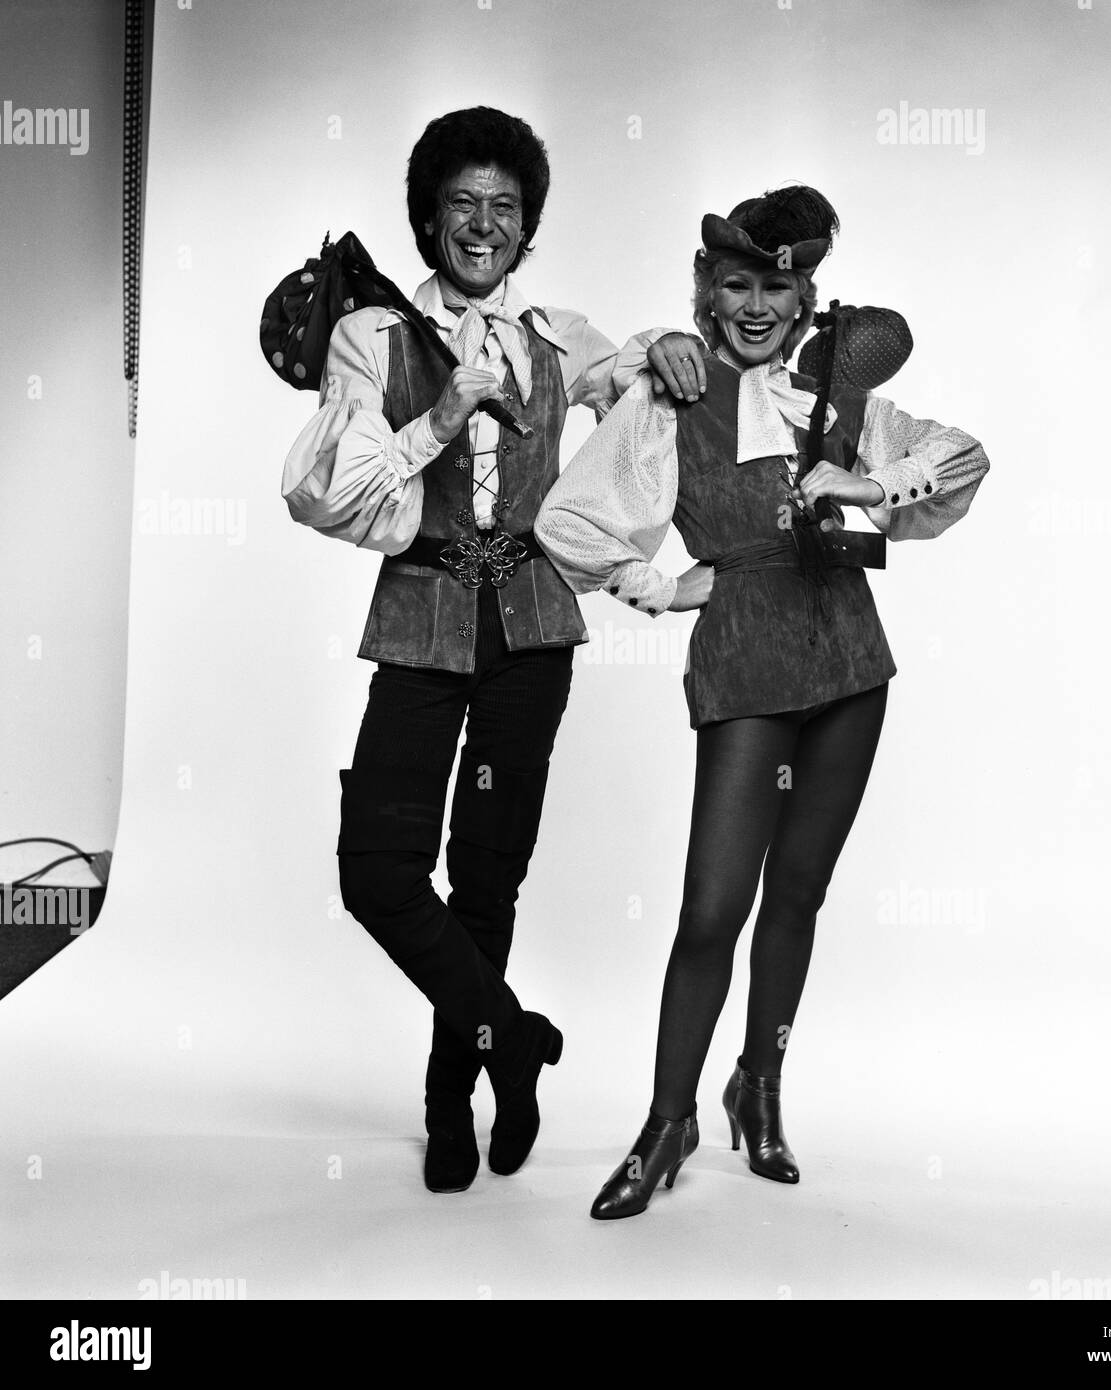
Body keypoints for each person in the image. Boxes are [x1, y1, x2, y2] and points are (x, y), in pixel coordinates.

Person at [535, 185, 990, 1219]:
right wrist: (662, 583)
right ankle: (668, 1120)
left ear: (802, 298)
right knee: (710, 909)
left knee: (798, 897)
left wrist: (863, 485)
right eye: (734, 283)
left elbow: (963, 456)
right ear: (707, 291)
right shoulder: (667, 395)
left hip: (850, 669)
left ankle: (761, 1082)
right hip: (744, 667)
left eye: (774, 287)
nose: (754, 305)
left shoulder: (831, 403)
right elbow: (571, 524)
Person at [280, 107, 700, 1195]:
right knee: (378, 868)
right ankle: (512, 1038)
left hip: (534, 627)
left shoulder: (560, 335)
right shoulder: (371, 336)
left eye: (504, 208)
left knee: (486, 875)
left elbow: (640, 389)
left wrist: (671, 344)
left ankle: (452, 1103)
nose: (483, 224)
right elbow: (324, 492)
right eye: (462, 203)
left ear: (528, 229)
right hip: (421, 615)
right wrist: (440, 415)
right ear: (428, 218)